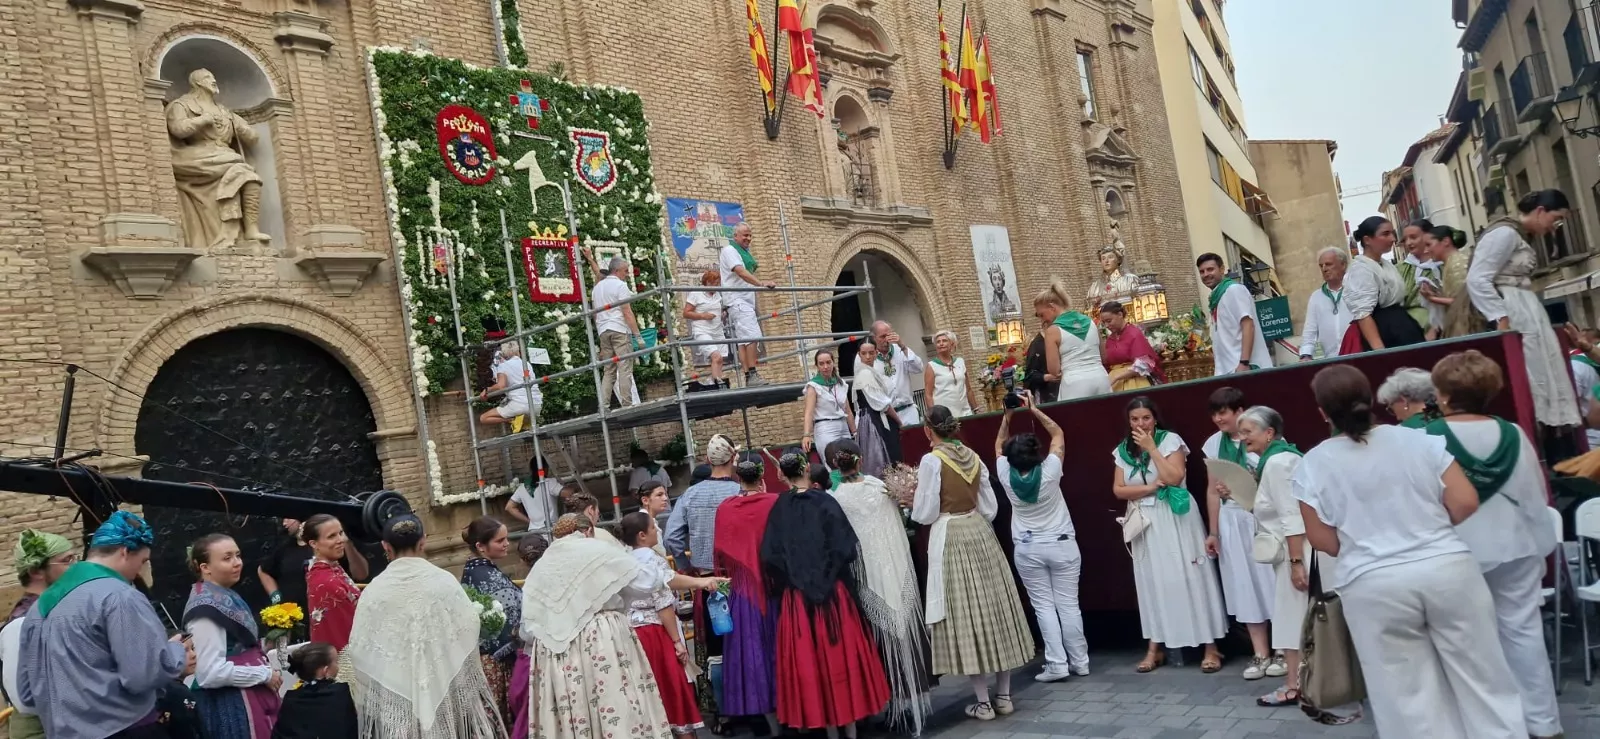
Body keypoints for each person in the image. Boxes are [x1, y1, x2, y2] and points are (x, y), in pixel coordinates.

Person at [1292, 364, 1526, 738]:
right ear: (1371, 400)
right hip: (1446, 567)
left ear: (1322, 412)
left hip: (1373, 583)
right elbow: (1465, 502)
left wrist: (1366, 540)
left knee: (1404, 694)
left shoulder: (1313, 464)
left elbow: (1323, 541)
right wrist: (1427, 528)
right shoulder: (1418, 440)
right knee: (1485, 678)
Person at [1428, 351, 1563, 738]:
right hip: (1516, 545)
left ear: (1445, 395)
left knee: (1470, 644)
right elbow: (1535, 494)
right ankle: (1543, 722)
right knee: (1525, 635)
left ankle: (1494, 726)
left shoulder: (1429, 438)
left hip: (1460, 550)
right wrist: (1540, 547)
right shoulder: (1513, 433)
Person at [17, 511, 191, 739]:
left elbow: (27, 694)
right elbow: (142, 678)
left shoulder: (37, 611)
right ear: (125, 552)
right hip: (126, 730)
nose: (140, 570)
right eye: (143, 561)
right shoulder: (120, 596)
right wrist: (176, 653)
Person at [913, 406, 1035, 721]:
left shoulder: (931, 461)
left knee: (966, 616)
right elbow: (990, 506)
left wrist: (911, 501)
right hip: (980, 531)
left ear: (929, 430)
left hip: (951, 533)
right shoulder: (972, 455)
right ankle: (1004, 696)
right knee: (995, 610)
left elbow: (925, 513)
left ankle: (983, 702)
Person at [761, 454, 890, 735]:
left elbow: (770, 555)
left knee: (814, 663)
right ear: (807, 469)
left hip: (798, 603)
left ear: (782, 475)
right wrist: (829, 577)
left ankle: (831, 732)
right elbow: (846, 548)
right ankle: (851, 730)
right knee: (840, 660)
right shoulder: (825, 502)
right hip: (834, 598)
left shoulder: (779, 507)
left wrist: (795, 581)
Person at [347, 515, 503, 738]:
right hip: (443, 685)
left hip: (397, 693)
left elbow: (359, 646)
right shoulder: (444, 581)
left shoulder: (374, 591)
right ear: (423, 541)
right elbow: (469, 626)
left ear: (385, 546)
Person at [522, 514, 673, 739]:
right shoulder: (597, 550)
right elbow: (646, 582)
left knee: (575, 708)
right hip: (601, 640)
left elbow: (528, 628)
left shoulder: (542, 565)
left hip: (555, 652)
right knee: (614, 702)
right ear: (589, 531)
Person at [1112, 397, 1227, 674]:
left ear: (1155, 418)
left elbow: (1174, 477)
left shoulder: (1170, 441)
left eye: (1146, 418)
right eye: (1135, 419)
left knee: (1190, 576)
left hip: (1175, 518)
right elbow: (1118, 489)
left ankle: (1210, 646)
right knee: (1152, 581)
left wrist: (1151, 449)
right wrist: (1150, 488)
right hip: (1145, 521)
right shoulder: (1122, 451)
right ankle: (1156, 646)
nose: (1141, 424)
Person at [825, 440, 932, 735]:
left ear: (834, 466)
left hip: (867, 576)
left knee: (877, 636)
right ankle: (913, 700)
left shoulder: (834, 498)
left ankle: (888, 704)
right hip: (895, 567)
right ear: (859, 461)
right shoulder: (880, 487)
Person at [1469, 189, 1582, 429]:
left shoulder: (1520, 235)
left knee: (1542, 368)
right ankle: (1536, 424)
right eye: (1555, 219)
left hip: (1526, 308)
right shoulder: (1505, 233)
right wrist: (1500, 317)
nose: (1555, 227)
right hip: (1513, 308)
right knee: (1529, 370)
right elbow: (1477, 278)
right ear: (1540, 211)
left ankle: (1549, 425)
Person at [994, 393, 1086, 682]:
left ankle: (1057, 664)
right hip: (1062, 544)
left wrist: (1008, 415)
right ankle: (1080, 662)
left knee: (1044, 606)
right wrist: (1035, 410)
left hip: (1028, 547)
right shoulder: (1050, 471)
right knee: (1069, 605)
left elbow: (998, 445)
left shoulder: (1005, 473)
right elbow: (1058, 434)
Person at [619, 512, 726, 737]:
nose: (657, 531)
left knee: (650, 690)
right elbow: (663, 603)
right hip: (655, 631)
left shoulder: (623, 560)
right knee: (673, 688)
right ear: (642, 535)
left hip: (632, 632)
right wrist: (678, 642)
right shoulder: (651, 558)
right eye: (653, 528)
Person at [1199, 388, 1278, 680]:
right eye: (1215, 413)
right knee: (1245, 586)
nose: (1218, 418)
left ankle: (1284, 648)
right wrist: (1213, 532)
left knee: (1271, 580)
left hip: (1261, 516)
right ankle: (1260, 653)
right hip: (1232, 519)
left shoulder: (1261, 436)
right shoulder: (1212, 444)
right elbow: (1211, 490)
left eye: (1224, 412)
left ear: (1240, 411)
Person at [662, 434, 741, 722]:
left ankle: (724, 713)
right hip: (742, 580)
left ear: (707, 461)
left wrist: (686, 568)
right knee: (748, 640)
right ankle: (754, 708)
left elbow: (671, 537)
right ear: (734, 458)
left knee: (716, 649)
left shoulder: (690, 495)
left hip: (708, 582)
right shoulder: (741, 492)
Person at [1236, 406, 1311, 708]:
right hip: (1295, 551)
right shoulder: (1282, 458)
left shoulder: (1278, 463)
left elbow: (1292, 516)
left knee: (1292, 621)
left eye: (1247, 432)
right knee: (1295, 619)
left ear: (1269, 433)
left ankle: (1295, 686)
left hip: (1295, 552)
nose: (1242, 439)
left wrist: (1295, 563)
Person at [182, 534, 282, 739]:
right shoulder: (205, 610)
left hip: (248, 697)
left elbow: (236, 645)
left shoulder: (224, 594)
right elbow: (210, 673)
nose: (237, 563)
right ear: (205, 567)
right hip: (233, 705)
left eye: (238, 555)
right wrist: (263, 675)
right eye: (227, 558)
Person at [711, 453, 782, 734]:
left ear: (738, 478)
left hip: (743, 593)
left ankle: (770, 725)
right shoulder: (775, 502)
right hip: (775, 588)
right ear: (763, 477)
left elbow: (719, 554)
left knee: (753, 657)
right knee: (780, 652)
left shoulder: (726, 509)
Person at [3, 530, 75, 739]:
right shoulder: (21, 624)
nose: (75, 568)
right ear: (36, 572)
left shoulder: (54, 611)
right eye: (67, 561)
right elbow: (24, 701)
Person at [460, 517, 523, 727]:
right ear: (481, 546)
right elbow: (507, 619)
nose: (506, 544)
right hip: (497, 663)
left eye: (506, 539)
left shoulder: (482, 571)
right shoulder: (483, 575)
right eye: (500, 540)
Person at [1341, 216, 1427, 353]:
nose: (1393, 239)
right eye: (1385, 234)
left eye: (1392, 233)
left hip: (1400, 325)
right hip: (1384, 331)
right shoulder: (1361, 269)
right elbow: (1363, 314)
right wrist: (1380, 351)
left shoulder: (1385, 265)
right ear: (1367, 240)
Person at [258, 517, 369, 613]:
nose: (284, 523)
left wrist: (347, 543)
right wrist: (276, 597)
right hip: (296, 620)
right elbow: (263, 570)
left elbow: (361, 575)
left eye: (288, 518)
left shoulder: (332, 547)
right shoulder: (284, 548)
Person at [1033, 280, 1112, 400]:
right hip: (1101, 380)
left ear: (1052, 307)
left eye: (1042, 315)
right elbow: (1104, 356)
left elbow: (1054, 370)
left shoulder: (1052, 331)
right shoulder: (1090, 322)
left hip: (1075, 384)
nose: (1042, 321)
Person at [1197, 253, 1273, 375]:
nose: (1206, 274)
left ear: (1222, 269)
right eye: (1202, 271)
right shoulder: (1216, 297)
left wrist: (1244, 363)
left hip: (1243, 369)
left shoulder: (1234, 290)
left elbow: (1248, 325)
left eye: (1210, 269)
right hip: (1228, 369)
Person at [721, 223, 776, 387]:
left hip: (741, 301)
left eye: (750, 235)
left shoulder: (742, 252)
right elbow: (740, 271)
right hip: (738, 301)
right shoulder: (730, 251)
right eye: (745, 235)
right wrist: (761, 283)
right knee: (752, 335)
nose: (748, 238)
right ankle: (752, 374)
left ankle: (748, 375)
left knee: (744, 340)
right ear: (735, 236)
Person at [506, 535, 549, 739]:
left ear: (522, 560)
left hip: (535, 655)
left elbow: (527, 632)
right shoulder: (555, 577)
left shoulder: (530, 583)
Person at [302, 514, 361, 661]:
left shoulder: (331, 568)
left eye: (340, 533)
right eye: (331, 536)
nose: (340, 540)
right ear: (314, 543)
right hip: (347, 662)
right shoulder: (326, 581)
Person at [271, 643, 357, 739]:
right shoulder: (340, 694)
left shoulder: (290, 698)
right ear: (326, 670)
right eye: (336, 662)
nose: (338, 666)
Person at [594, 257, 645, 408]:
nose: (627, 274)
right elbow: (627, 312)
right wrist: (638, 336)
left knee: (608, 370)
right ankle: (627, 403)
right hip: (619, 329)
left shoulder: (597, 288)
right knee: (625, 367)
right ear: (616, 271)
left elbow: (595, 314)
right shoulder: (620, 285)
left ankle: (603, 405)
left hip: (603, 330)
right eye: (625, 271)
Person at [851, 341, 901, 474]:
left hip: (875, 418)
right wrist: (899, 421)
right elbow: (882, 403)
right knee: (880, 460)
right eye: (864, 353)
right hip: (873, 421)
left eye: (871, 353)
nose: (867, 356)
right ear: (859, 355)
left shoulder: (870, 372)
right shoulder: (865, 374)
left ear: (876, 354)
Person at [803, 349, 856, 468]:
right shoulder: (813, 386)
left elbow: (847, 410)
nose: (825, 366)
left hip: (843, 425)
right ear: (816, 366)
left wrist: (855, 431)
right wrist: (807, 434)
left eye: (828, 362)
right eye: (821, 364)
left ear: (833, 363)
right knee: (833, 465)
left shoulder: (840, 383)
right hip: (825, 427)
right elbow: (809, 413)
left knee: (851, 463)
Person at [1298, 246, 1353, 360]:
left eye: (1328, 264)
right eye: (1321, 266)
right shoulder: (1316, 297)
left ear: (1343, 265)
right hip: (1331, 360)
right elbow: (1310, 330)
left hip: (1358, 355)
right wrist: (1305, 354)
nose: (1324, 269)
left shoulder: (1356, 289)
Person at [1421, 226, 1474, 337]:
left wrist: (1432, 298)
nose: (1426, 250)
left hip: (1468, 325)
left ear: (1445, 241)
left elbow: (1463, 302)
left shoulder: (1457, 264)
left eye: (1429, 245)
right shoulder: (1452, 262)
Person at [1099, 301, 1163, 391]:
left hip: (1134, 382)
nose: (1106, 325)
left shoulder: (1134, 333)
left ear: (1120, 314)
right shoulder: (1110, 339)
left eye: (1109, 321)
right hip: (1114, 384)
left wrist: (1117, 376)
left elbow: (1145, 363)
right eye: (1104, 323)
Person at [871, 320, 926, 426]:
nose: (886, 340)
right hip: (887, 414)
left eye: (889, 335)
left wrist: (902, 346)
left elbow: (918, 368)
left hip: (908, 410)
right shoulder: (870, 357)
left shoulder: (899, 350)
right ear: (874, 338)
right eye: (882, 337)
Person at [683, 269, 729, 390]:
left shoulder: (717, 294)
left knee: (720, 359)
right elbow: (686, 313)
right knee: (716, 356)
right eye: (714, 283)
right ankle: (716, 384)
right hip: (702, 330)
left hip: (717, 330)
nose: (716, 286)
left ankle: (715, 380)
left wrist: (722, 314)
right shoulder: (696, 294)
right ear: (707, 282)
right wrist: (703, 316)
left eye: (718, 283)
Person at [479, 340, 540, 425]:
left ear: (504, 353)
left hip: (519, 404)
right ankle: (519, 422)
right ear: (518, 350)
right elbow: (526, 378)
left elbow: (501, 386)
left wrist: (487, 389)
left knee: (484, 418)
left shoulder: (503, 366)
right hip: (536, 403)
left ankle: (511, 420)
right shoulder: (526, 364)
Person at [1399, 218, 1442, 334]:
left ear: (1428, 236)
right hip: (1412, 329)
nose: (1408, 243)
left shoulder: (1443, 264)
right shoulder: (1400, 269)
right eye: (1405, 239)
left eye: (1413, 237)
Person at [925, 330, 979, 417]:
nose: (941, 344)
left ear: (952, 344)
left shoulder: (960, 362)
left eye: (944, 341)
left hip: (965, 411)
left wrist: (976, 409)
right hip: (944, 415)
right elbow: (928, 394)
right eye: (938, 342)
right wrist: (934, 416)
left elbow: (968, 389)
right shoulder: (932, 366)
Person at [504, 457, 564, 532]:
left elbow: (509, 507)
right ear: (545, 468)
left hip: (534, 532)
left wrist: (530, 522)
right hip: (551, 530)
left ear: (531, 470)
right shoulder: (549, 483)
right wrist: (572, 488)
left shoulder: (522, 487)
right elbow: (566, 493)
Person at [1376, 367, 1440, 429]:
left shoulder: (1400, 431)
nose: (1398, 418)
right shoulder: (1446, 418)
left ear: (1403, 401)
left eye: (1392, 409)